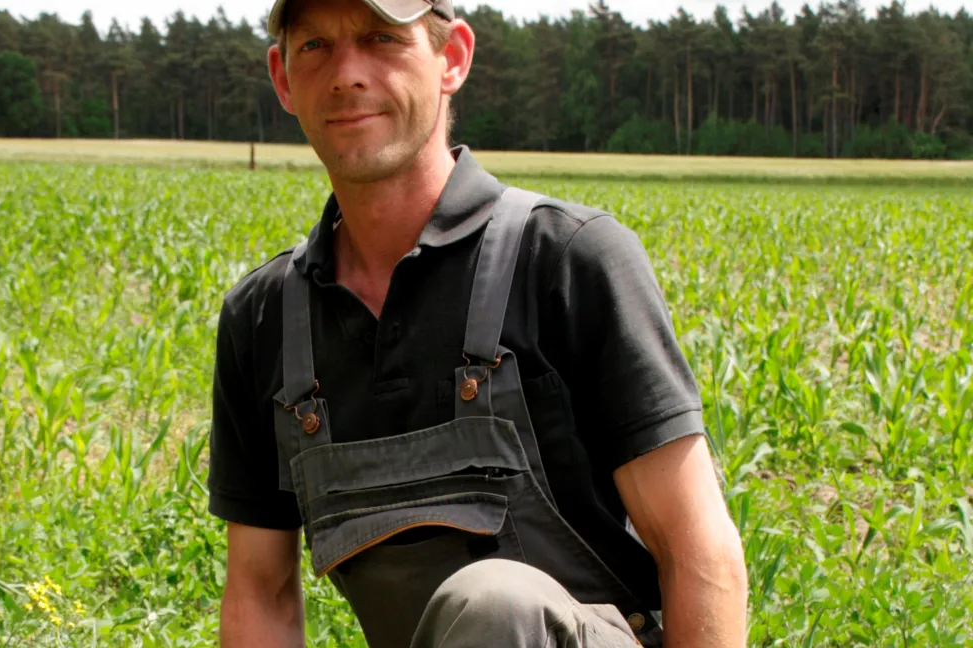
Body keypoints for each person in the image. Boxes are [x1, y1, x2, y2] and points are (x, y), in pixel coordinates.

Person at [206, 0, 749, 645]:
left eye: (382, 39)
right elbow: (260, 592)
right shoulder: (265, 316)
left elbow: (697, 549)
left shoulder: (566, 259)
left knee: (497, 605)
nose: (347, 73)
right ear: (283, 78)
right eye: (316, 46)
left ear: (453, 58)